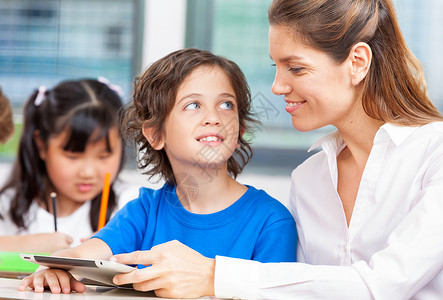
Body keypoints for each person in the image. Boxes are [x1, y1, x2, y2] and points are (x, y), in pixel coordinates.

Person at [21, 0, 442, 299]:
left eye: (295, 68)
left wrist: (212, 276)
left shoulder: (434, 154)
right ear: (155, 133)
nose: (277, 87)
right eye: (275, 66)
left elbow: (383, 287)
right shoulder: (310, 180)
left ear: (357, 62)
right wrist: (62, 263)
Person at [18, 48, 298, 295]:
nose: (214, 118)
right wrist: (56, 268)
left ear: (240, 129)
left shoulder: (272, 222)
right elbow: (80, 255)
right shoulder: (142, 212)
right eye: (193, 105)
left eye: (227, 105)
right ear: (155, 134)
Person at [0, 78, 138, 253]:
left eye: (104, 156)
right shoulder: (9, 207)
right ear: (42, 145)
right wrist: (22, 245)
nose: (88, 172)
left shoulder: (133, 205)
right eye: (73, 156)